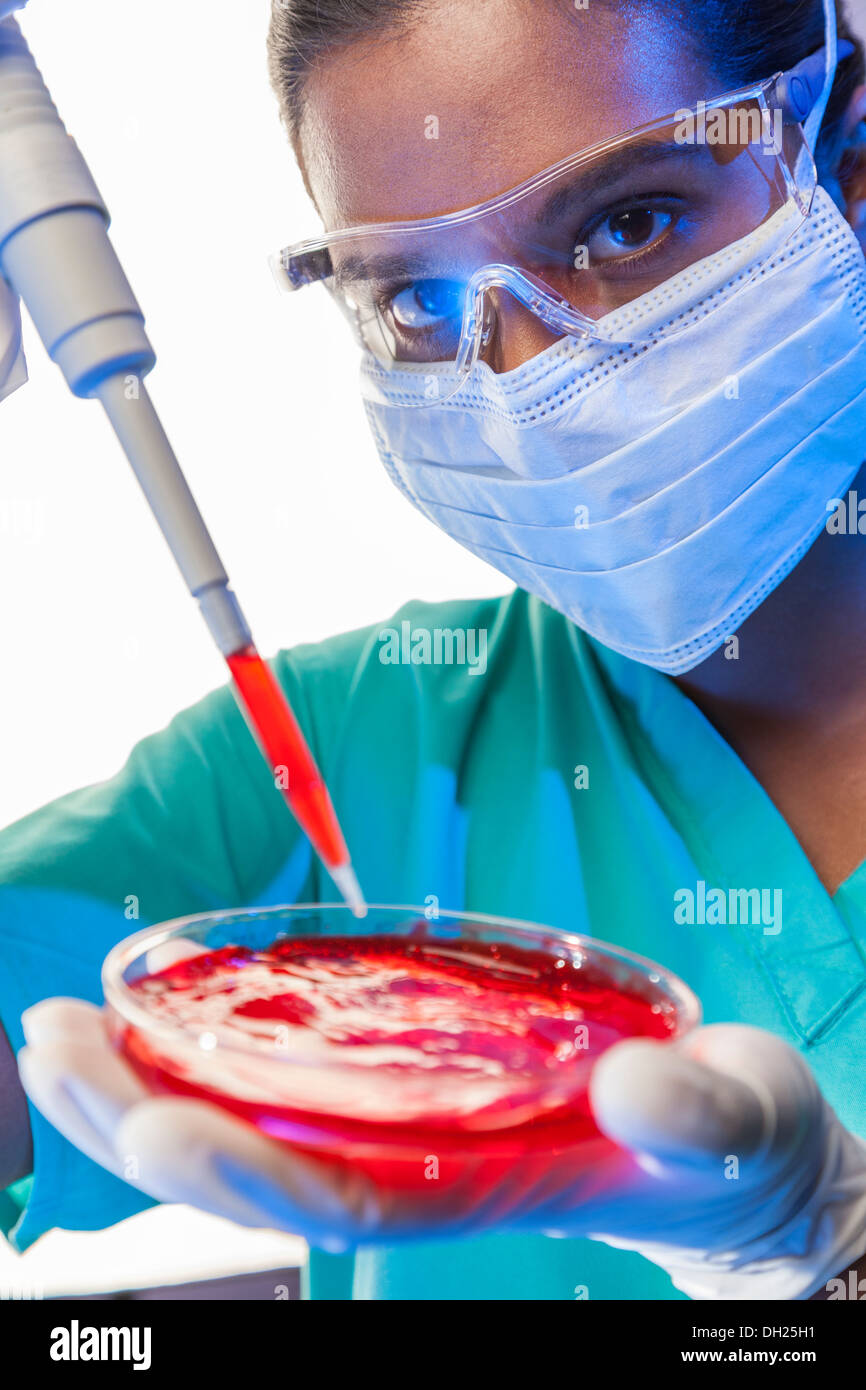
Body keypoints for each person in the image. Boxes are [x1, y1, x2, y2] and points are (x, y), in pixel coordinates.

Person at [3, 0, 866, 1301]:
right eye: (417, 296)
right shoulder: (337, 757)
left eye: (625, 224)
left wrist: (833, 1259)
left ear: (844, 154)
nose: (521, 382)